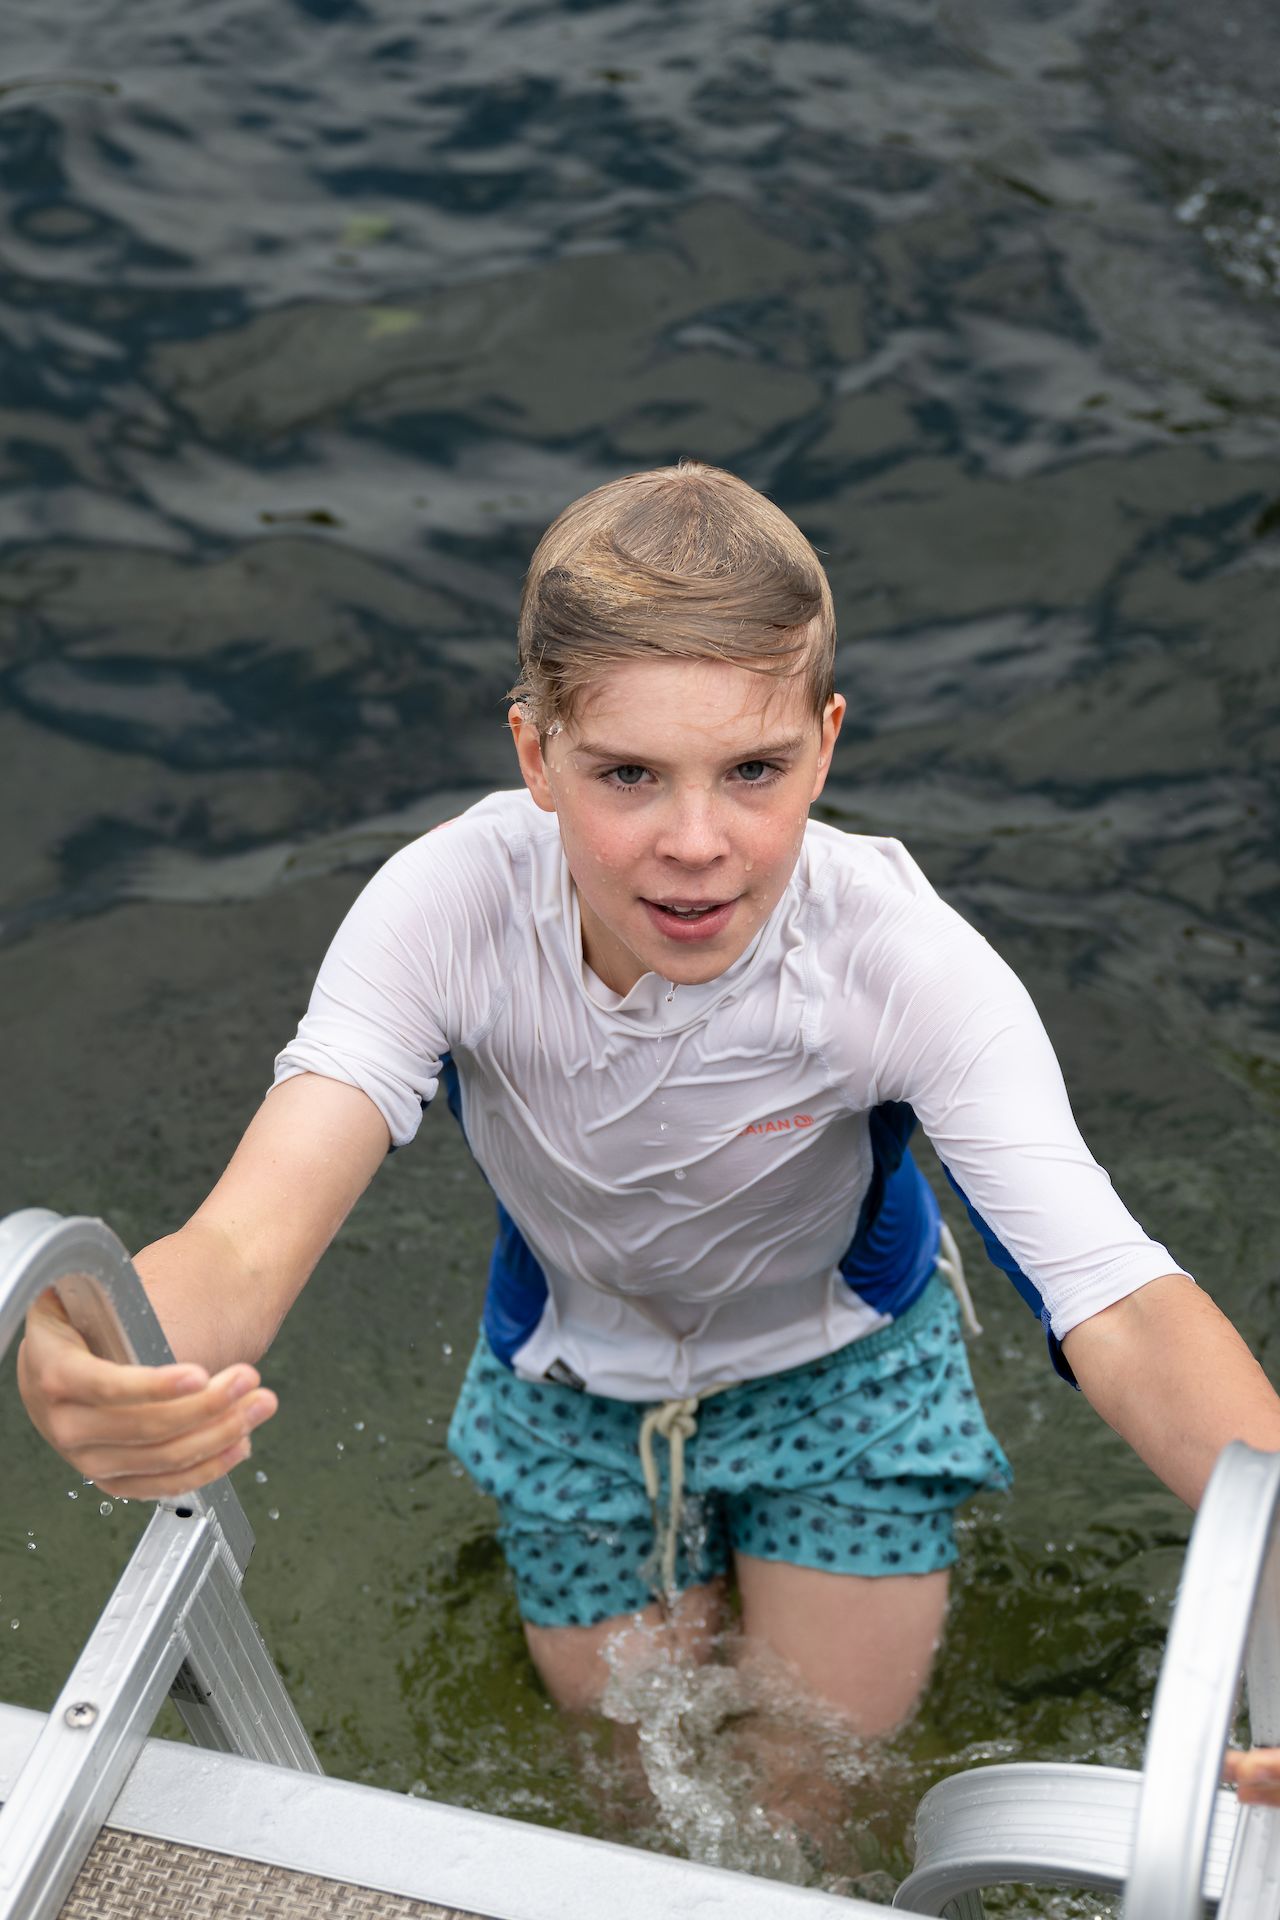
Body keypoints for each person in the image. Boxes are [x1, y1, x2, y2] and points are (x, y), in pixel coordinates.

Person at [17, 462, 1280, 1784]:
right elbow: (246, 1243)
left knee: (810, 1796)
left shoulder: (899, 959)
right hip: (570, 1387)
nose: (696, 842)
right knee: (628, 1781)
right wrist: (93, 1349)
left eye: (754, 769)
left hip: (848, 1374)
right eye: (628, 772)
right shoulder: (448, 908)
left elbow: (1119, 1303)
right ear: (535, 754)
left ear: (828, 744)